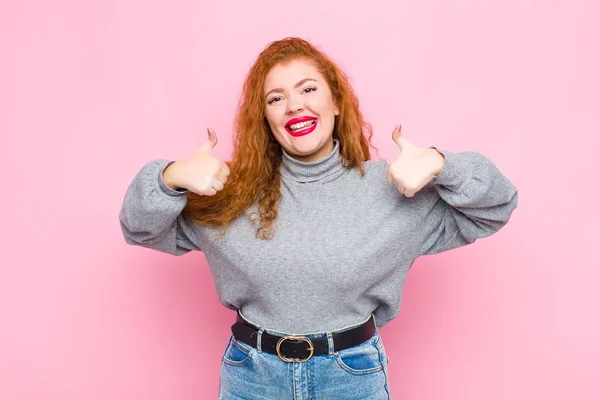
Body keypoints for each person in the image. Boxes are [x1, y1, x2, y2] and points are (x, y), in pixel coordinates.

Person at [119, 37, 518, 399]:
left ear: (336, 102)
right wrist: (168, 177)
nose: (294, 105)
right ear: (266, 119)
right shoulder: (228, 191)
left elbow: (497, 207)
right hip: (251, 378)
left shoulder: (394, 190)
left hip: (352, 378)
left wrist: (441, 164)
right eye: (276, 99)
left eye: (308, 89)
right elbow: (138, 228)